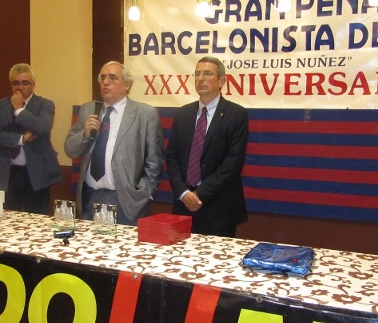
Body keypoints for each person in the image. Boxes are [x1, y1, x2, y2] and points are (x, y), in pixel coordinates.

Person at [64, 61, 164, 225]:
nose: (106, 82)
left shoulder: (145, 114)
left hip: (126, 199)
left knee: (124, 249)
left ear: (127, 85)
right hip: (90, 195)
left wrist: (146, 193)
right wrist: (85, 133)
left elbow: (155, 159)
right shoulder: (88, 109)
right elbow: (70, 150)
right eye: (102, 78)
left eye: (112, 78)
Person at [166, 56, 249, 237]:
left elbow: (232, 163)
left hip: (218, 208)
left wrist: (199, 194)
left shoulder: (236, 114)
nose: (200, 78)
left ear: (221, 81)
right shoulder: (183, 114)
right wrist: (183, 193)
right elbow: (172, 157)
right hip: (183, 206)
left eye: (207, 74)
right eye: (197, 74)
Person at [0, 63, 63, 215]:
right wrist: (21, 139)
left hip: (36, 175)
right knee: (7, 220)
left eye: (25, 83)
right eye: (16, 83)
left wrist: (19, 110)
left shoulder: (44, 104)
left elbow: (43, 127)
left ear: (33, 84)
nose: (20, 88)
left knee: (38, 221)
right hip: (8, 174)